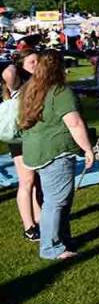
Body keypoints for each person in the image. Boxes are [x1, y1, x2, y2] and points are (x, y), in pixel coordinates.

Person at [18, 50, 93, 260]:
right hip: (55, 151)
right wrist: (88, 149)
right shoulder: (60, 92)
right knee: (56, 201)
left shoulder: (29, 89)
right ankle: (50, 247)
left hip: (36, 150)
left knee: (59, 199)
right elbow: (75, 123)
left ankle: (62, 239)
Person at [3, 50, 41, 241]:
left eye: (38, 61)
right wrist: (13, 64)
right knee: (26, 181)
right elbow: (8, 74)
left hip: (36, 135)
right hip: (20, 138)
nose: (37, 64)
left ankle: (38, 219)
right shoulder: (18, 80)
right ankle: (29, 226)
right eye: (32, 61)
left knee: (35, 180)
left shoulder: (38, 80)